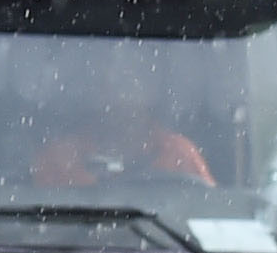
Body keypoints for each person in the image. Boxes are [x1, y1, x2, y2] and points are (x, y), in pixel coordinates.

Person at [32, 37, 214, 191]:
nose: (120, 99)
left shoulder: (180, 154)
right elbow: (32, 219)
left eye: (129, 83)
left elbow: (207, 211)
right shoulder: (59, 160)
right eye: (110, 85)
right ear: (96, 94)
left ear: (151, 92)